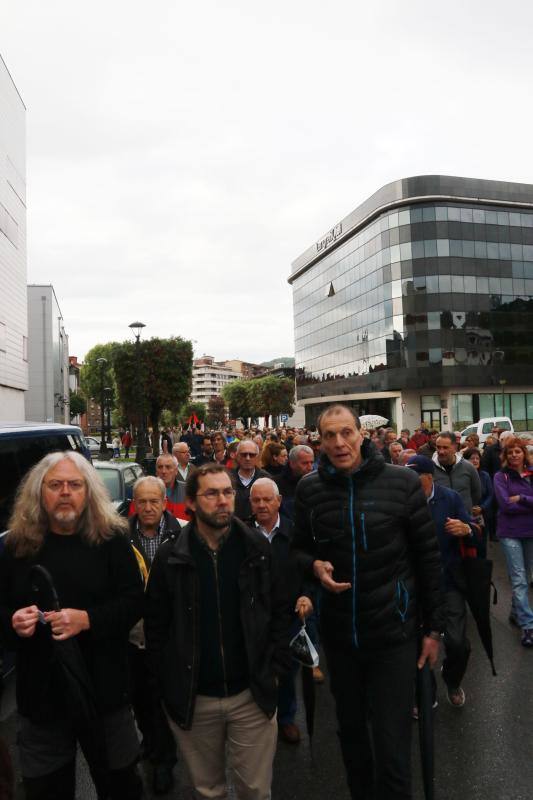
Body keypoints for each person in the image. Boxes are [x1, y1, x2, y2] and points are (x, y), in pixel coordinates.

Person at [292, 404, 442, 800]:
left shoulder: (402, 483)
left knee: (393, 745)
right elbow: (298, 551)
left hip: (394, 634)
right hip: (341, 637)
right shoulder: (309, 489)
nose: (339, 443)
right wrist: (315, 566)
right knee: (353, 738)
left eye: (346, 433)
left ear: (361, 434)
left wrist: (434, 628)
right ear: (319, 441)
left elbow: (428, 558)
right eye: (329, 435)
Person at [0, 451, 144, 799]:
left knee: (121, 786)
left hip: (106, 691)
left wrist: (88, 619)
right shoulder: (17, 546)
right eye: (55, 485)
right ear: (39, 492)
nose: (65, 492)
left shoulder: (112, 540)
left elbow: (135, 601)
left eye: (74, 484)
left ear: (88, 492)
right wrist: (12, 622)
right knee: (46, 789)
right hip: (41, 697)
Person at [144, 464, 291, 800]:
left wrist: (275, 669)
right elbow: (156, 627)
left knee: (255, 789)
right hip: (196, 698)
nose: (223, 500)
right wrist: (167, 682)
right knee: (208, 791)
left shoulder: (257, 549)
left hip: (250, 695)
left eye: (228, 492)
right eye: (212, 493)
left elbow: (279, 612)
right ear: (192, 502)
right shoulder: (171, 557)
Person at [406, 455, 479, 708]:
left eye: (416, 478)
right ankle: (424, 692)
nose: (411, 483)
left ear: (429, 477)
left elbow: (474, 533)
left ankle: (452, 679)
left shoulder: (450, 498)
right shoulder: (404, 501)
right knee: (418, 641)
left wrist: (466, 529)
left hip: (448, 582)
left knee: (458, 644)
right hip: (415, 585)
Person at [248, 478, 313, 745]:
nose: (262, 505)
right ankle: (258, 719)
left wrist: (307, 595)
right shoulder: (240, 533)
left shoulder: (295, 532)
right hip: (252, 617)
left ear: (278, 501)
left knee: (286, 670)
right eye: (256, 500)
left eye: (267, 500)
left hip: (287, 615)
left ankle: (286, 718)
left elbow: (310, 568)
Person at [128, 476, 180, 795]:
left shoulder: (183, 533)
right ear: (134, 503)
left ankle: (165, 761)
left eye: (154, 501)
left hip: (171, 639)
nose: (148, 508)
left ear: (164, 502)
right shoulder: (119, 536)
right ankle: (150, 742)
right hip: (133, 638)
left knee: (164, 700)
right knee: (139, 699)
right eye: (142, 502)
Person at [493, 438, 533, 647]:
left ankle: (517, 612)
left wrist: (522, 498)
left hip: (530, 531)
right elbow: (505, 505)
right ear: (506, 456)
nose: (514, 455)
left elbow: (515, 502)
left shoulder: (531, 474)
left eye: (518, 451)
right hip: (509, 532)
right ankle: (528, 626)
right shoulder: (501, 476)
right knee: (519, 578)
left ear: (523, 453)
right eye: (511, 453)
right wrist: (525, 502)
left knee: (527, 575)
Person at [432, 432, 481, 513]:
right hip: (440, 521)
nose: (441, 451)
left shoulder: (468, 467)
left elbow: (476, 494)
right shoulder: (430, 469)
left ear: (454, 448)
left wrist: (465, 509)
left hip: (464, 520)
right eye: (438, 447)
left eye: (445, 448)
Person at [462, 447, 493, 556]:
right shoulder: (462, 476)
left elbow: (490, 495)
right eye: (472, 458)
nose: (475, 461)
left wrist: (482, 508)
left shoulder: (485, 476)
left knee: (481, 547)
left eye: (477, 458)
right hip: (466, 515)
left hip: (481, 516)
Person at [274, 445, 314, 522]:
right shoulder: (275, 485)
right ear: (292, 463)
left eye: (311, 462)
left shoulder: (317, 482)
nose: (310, 467)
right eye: (305, 463)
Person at [232, 441, 270, 520]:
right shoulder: (228, 478)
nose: (247, 458)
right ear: (237, 456)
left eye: (252, 455)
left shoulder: (266, 479)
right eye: (244, 454)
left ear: (257, 457)